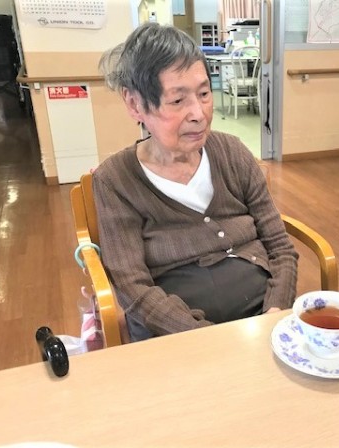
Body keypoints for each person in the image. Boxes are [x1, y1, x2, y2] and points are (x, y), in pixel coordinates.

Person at [94, 23, 298, 341]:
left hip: (262, 323)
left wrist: (275, 312)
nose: (199, 114)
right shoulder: (115, 180)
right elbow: (133, 288)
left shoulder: (232, 152)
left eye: (204, 94)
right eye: (177, 101)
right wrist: (206, 339)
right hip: (177, 336)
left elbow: (280, 247)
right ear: (134, 104)